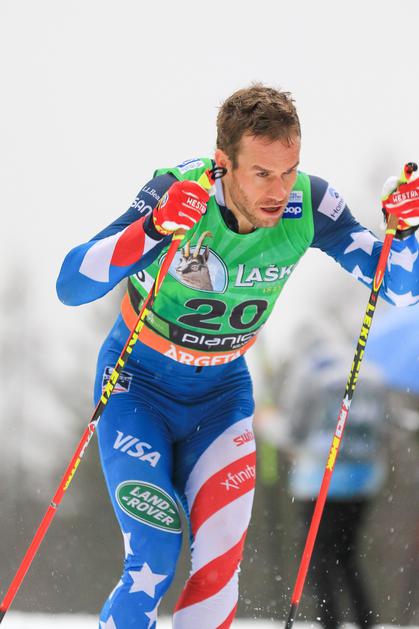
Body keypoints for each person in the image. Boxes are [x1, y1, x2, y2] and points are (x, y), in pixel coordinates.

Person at [56, 83, 419, 629]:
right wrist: (152, 228)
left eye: (289, 170)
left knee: (220, 565)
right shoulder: (179, 190)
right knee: (154, 557)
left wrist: (407, 233)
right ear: (223, 163)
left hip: (221, 397)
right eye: (262, 173)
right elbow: (71, 284)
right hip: (137, 388)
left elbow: (399, 288)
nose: (279, 190)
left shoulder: (310, 204)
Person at [281, 338, 390, 629]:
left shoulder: (311, 372)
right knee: (347, 553)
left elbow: (294, 431)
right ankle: (365, 619)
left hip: (319, 478)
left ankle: (329, 621)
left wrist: (268, 424)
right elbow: (383, 430)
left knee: (317, 556)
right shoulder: (371, 373)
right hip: (363, 479)